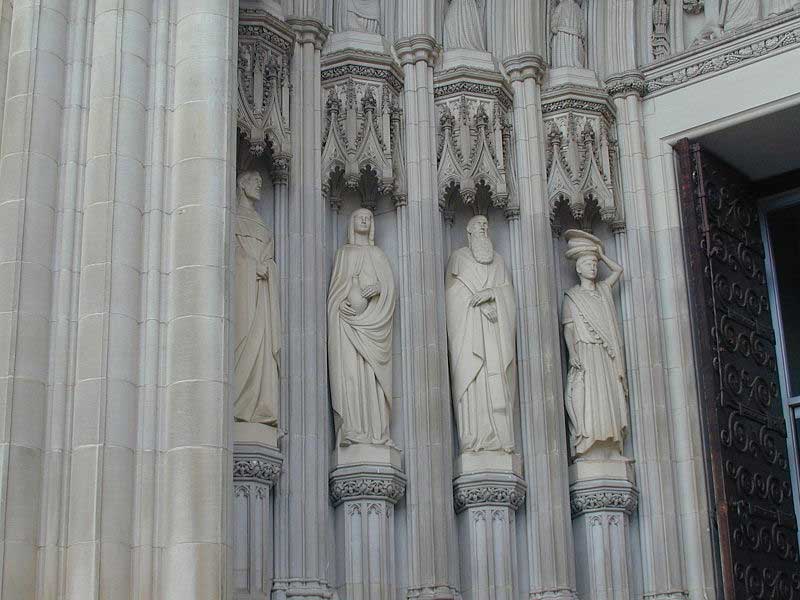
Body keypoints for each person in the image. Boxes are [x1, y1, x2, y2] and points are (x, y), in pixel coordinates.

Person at [446, 215, 517, 453]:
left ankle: (499, 438)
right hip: (470, 335)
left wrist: (493, 296)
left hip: (495, 333)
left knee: (496, 381)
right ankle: (474, 438)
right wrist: (473, 304)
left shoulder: (498, 262)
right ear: (469, 233)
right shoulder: (459, 258)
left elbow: (509, 297)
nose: (484, 228)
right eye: (478, 226)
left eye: (486, 225)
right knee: (473, 382)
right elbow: (451, 298)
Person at [328, 208, 397, 447]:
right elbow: (336, 291)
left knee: (372, 380)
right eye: (360, 217)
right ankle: (352, 429)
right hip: (347, 327)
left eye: (369, 217)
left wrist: (379, 288)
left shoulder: (378, 255)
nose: (365, 220)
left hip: (374, 327)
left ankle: (377, 432)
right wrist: (340, 305)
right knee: (351, 376)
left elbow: (389, 288)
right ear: (351, 222)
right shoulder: (344, 254)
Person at [562, 229, 628, 458]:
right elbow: (569, 328)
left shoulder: (603, 290)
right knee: (589, 398)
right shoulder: (572, 296)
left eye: (594, 264)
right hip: (586, 352)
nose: (593, 267)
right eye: (588, 263)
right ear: (578, 268)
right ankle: (588, 444)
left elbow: (618, 270)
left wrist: (601, 254)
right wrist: (573, 353)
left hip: (603, 354)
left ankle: (610, 445)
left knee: (606, 399)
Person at [234, 171, 281, 425]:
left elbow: (269, 260)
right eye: (255, 181)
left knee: (262, 351)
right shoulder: (233, 219)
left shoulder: (262, 224)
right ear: (242, 185)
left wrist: (267, 269)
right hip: (245, 296)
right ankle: (240, 408)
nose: (260, 185)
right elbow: (231, 258)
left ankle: (262, 408)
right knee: (242, 344)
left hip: (262, 296)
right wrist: (252, 267)